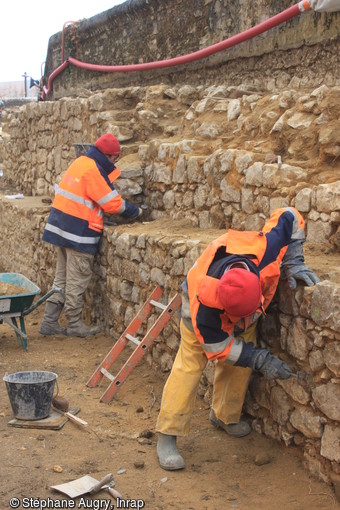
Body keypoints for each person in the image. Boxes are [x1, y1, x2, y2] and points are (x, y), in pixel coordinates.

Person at [156, 207, 320, 471]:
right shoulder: (206, 314)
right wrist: (259, 359)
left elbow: (290, 214)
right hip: (197, 309)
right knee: (188, 367)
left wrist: (294, 260)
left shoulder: (264, 249)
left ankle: (224, 416)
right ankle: (167, 436)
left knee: (239, 366)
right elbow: (219, 347)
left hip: (245, 308)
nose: (240, 324)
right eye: (237, 319)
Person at [39, 133, 142, 338]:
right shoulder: (93, 170)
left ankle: (49, 321)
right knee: (77, 279)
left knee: (61, 279)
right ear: (108, 156)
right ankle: (75, 323)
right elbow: (111, 203)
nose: (114, 163)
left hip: (61, 226)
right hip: (78, 232)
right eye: (114, 158)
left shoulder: (81, 162)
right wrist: (136, 211)